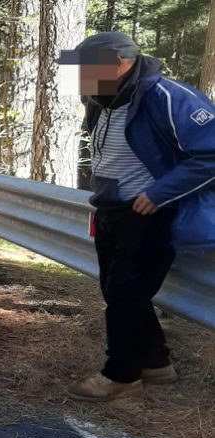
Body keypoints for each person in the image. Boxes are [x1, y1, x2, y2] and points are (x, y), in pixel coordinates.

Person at [59, 32, 215, 402]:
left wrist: (158, 194)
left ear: (120, 64)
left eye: (86, 69)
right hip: (111, 209)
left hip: (149, 213)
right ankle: (156, 362)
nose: (80, 78)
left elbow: (211, 153)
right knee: (119, 291)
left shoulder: (167, 96)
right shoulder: (101, 97)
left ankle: (121, 375)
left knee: (125, 294)